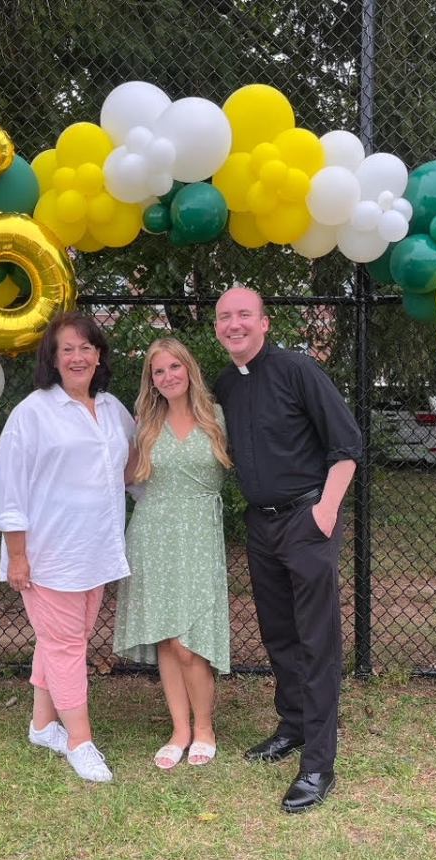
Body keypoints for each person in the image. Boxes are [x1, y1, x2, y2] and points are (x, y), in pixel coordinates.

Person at [212, 286, 362, 814]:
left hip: (306, 519)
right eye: (225, 316)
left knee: (317, 639)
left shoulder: (298, 370)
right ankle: (293, 725)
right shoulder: (227, 384)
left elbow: (347, 447)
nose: (235, 324)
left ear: (264, 322)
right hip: (261, 526)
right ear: (217, 327)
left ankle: (319, 762)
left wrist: (324, 512)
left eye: (244, 314)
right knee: (279, 633)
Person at [0, 312, 134, 784]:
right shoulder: (32, 413)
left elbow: (134, 466)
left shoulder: (113, 409)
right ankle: (79, 741)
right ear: (52, 359)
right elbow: (9, 491)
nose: (78, 356)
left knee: (61, 642)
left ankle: (41, 725)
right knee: (67, 645)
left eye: (86, 348)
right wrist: (17, 555)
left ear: (99, 356)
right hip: (49, 556)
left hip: (97, 552)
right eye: (67, 349)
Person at [114, 338, 233, 770]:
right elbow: (123, 477)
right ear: (152, 380)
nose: (168, 377)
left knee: (190, 642)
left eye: (174, 367)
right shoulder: (144, 422)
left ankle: (205, 728)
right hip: (153, 530)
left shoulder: (217, 417)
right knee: (168, 636)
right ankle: (179, 730)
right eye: (158, 371)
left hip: (200, 531)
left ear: (189, 369)